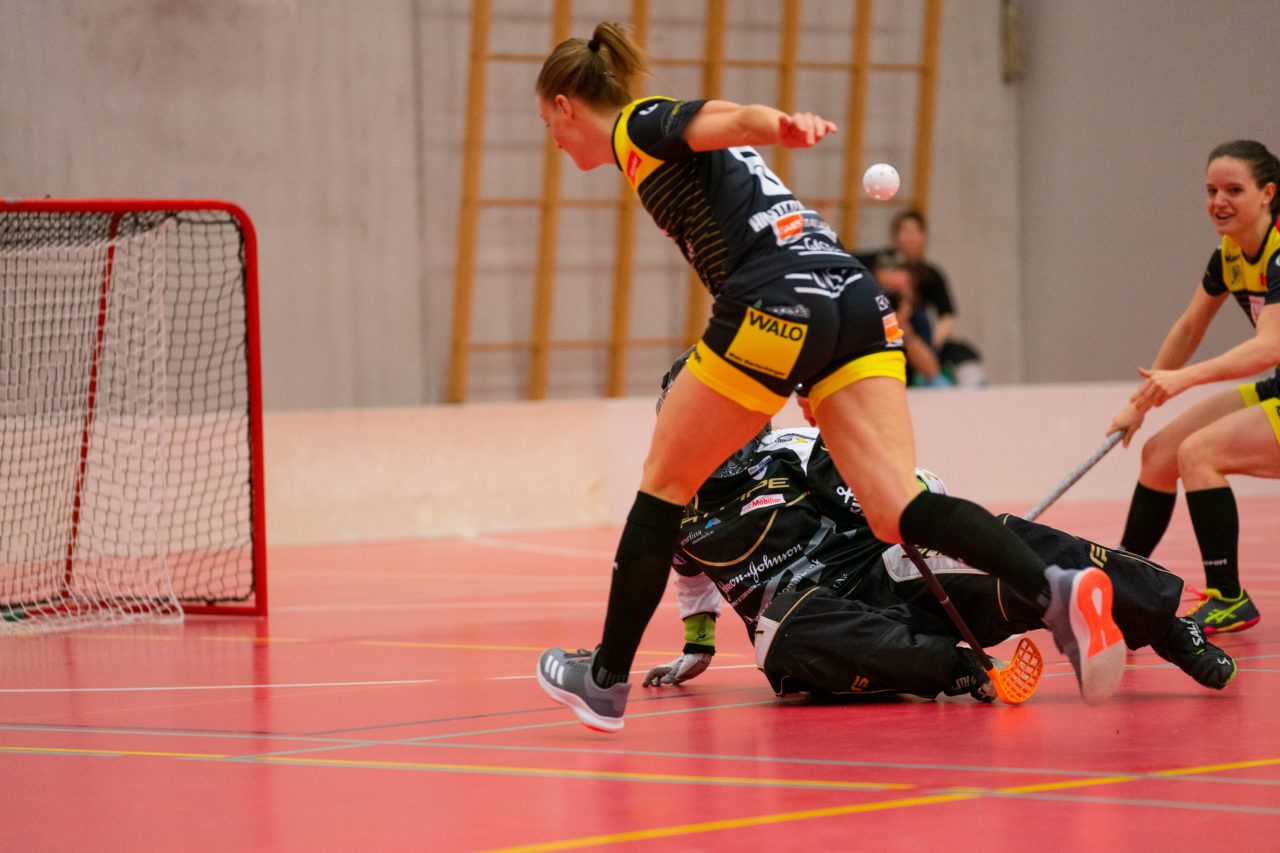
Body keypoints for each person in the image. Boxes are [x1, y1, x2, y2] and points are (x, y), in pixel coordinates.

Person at [533, 22, 1124, 733]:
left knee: (664, 484)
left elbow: (724, 119)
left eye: (549, 125)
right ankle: (1056, 589)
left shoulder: (637, 124)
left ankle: (603, 681)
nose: (555, 143)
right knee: (894, 505)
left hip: (774, 299)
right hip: (854, 298)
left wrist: (778, 126)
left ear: (566, 106)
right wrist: (812, 375)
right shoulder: (655, 153)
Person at [1106, 140, 1280, 635]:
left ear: (1267, 193)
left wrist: (1184, 379)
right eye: (1211, 191)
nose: (1219, 202)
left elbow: (1270, 346)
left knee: (1199, 454)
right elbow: (1188, 329)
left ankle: (1229, 598)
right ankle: (1122, 585)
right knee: (1161, 452)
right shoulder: (1229, 255)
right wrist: (1141, 404)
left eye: (1234, 190)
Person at [870, 253, 953, 387]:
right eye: (886, 290)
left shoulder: (914, 316)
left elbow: (931, 371)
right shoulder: (863, 315)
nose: (892, 299)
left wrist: (904, 330)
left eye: (898, 292)